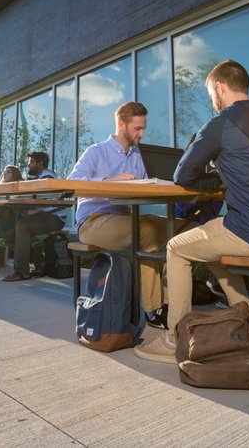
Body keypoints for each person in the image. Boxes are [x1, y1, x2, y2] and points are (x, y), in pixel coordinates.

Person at [135, 60, 249, 363]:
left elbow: (183, 176)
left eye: (212, 92)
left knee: (176, 248)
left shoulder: (221, 122)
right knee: (211, 252)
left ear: (220, 88)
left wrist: (214, 177)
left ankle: (175, 339)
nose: (213, 98)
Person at [67, 101, 180, 328]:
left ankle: (171, 303)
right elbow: (72, 183)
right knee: (146, 231)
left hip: (125, 219)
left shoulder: (141, 156)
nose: (142, 134)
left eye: (143, 128)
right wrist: (109, 180)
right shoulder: (96, 152)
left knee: (178, 227)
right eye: (137, 129)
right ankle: (154, 308)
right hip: (93, 222)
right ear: (121, 124)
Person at [2, 151, 64, 282]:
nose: (28, 165)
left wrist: (35, 210)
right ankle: (40, 262)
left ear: (40, 164)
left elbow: (51, 198)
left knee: (22, 226)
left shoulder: (48, 175)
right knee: (10, 236)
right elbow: (27, 196)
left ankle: (22, 272)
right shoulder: (32, 178)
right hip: (42, 216)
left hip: (55, 217)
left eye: (31, 162)